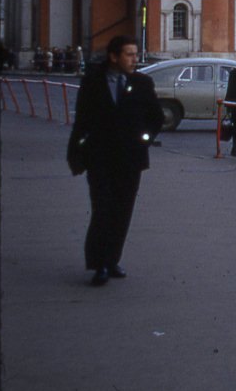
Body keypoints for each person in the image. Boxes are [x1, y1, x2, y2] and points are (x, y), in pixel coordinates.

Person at [66, 35, 163, 286]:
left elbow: (156, 117)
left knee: (122, 212)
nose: (135, 59)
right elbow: (82, 121)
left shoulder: (142, 83)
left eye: (135, 54)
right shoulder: (93, 83)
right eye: (129, 54)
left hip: (131, 160)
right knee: (102, 210)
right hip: (100, 159)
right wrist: (75, 154)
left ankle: (112, 260)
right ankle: (98, 264)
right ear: (114, 56)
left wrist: (145, 139)